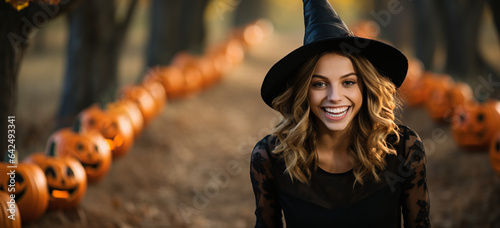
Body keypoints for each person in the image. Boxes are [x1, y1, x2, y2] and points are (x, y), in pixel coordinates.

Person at [250, 0, 430, 227]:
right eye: (319, 84)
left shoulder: (404, 148)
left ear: (365, 87)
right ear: (303, 93)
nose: (334, 96)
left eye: (348, 82)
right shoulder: (269, 157)